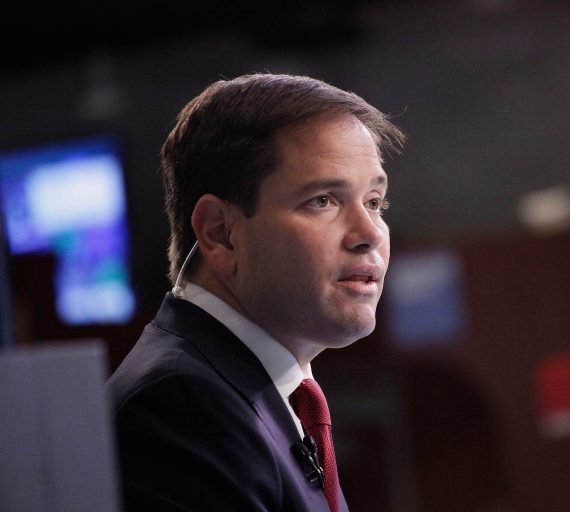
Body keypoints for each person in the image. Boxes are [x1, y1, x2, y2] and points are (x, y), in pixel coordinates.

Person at [106, 73, 404, 512]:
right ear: (221, 233)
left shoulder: (254, 388)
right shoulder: (181, 409)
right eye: (323, 200)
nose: (368, 234)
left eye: (375, 202)